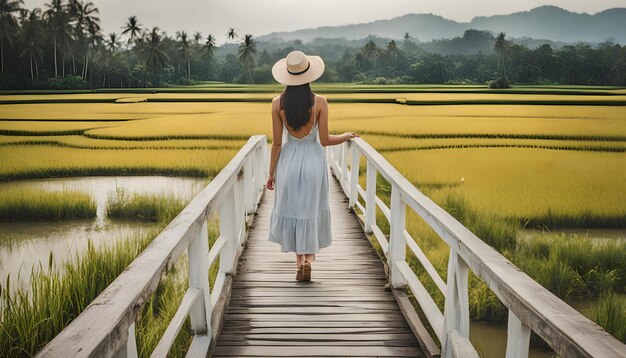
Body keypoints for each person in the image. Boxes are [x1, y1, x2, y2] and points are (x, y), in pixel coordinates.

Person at [267, 50, 358, 282]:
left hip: (288, 161)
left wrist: (271, 174)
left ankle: (299, 263)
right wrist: (346, 135)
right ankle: (309, 260)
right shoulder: (320, 102)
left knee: (295, 209)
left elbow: (277, 143)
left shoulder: (277, 104)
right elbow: (326, 140)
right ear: (309, 75)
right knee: (311, 209)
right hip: (313, 160)